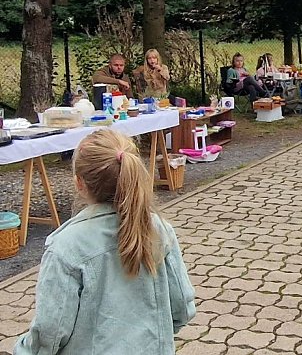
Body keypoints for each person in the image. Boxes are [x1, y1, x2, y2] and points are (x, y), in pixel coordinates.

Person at [15, 129, 196, 354]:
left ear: (79, 183)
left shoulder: (66, 246)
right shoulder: (158, 229)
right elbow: (182, 309)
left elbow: (50, 331)